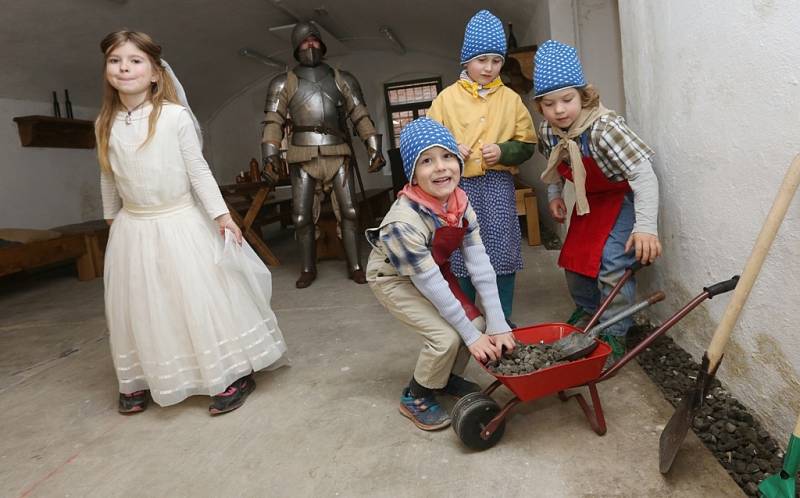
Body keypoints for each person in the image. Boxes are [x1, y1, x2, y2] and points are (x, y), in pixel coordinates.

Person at [96, 30, 287, 415]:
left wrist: (221, 215)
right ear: (107, 70)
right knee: (142, 304)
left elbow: (198, 170)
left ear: (153, 73)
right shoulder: (105, 121)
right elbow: (108, 173)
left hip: (179, 220)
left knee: (195, 297)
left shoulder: (173, 116)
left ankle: (228, 373)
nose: (124, 68)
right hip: (134, 226)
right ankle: (142, 377)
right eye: (116, 61)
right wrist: (111, 218)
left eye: (135, 61)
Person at [366, 118, 515, 431]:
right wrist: (472, 338)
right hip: (393, 278)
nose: (441, 168)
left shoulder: (459, 201)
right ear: (413, 173)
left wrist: (497, 323)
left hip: (431, 268)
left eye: (447, 156)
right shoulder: (402, 223)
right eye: (426, 161)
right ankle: (416, 396)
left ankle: (443, 379)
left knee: (474, 323)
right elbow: (430, 286)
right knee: (446, 337)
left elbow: (479, 263)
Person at [532, 39, 662, 362]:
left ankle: (615, 332)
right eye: (549, 104)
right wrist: (553, 195)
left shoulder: (604, 128)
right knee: (575, 260)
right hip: (589, 200)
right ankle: (590, 311)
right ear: (540, 106)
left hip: (621, 197)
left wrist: (646, 227)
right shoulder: (549, 131)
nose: (559, 110)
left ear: (583, 95)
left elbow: (643, 174)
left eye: (567, 99)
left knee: (612, 263)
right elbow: (555, 166)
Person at [427, 9, 536, 327]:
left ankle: (500, 316)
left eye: (496, 60)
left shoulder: (511, 100)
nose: (489, 67)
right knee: (459, 252)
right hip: (455, 190)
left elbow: (527, 145)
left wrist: (504, 150)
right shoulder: (445, 100)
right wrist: (447, 151)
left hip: (498, 185)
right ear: (465, 61)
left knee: (502, 249)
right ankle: (468, 316)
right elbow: (427, 147)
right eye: (481, 60)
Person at [262, 22, 386, 289]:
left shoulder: (342, 78)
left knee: (350, 211)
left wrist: (373, 146)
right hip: (302, 155)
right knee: (301, 216)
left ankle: (355, 266)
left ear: (322, 44)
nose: (311, 45)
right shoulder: (284, 82)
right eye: (305, 41)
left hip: (337, 152)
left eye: (315, 40)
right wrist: (270, 154)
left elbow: (359, 114)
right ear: (296, 45)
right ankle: (307, 268)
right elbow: (274, 120)